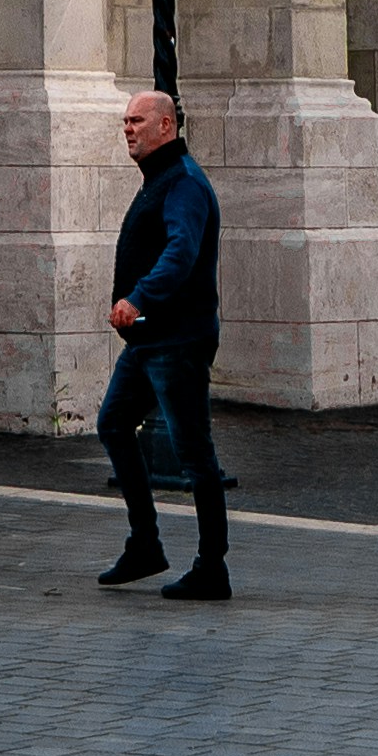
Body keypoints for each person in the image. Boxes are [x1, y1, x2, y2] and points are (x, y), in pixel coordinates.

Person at [97, 84, 229, 601]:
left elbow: (181, 252)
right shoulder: (161, 178)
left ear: (166, 126)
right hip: (151, 341)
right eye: (125, 122)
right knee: (113, 423)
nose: (127, 129)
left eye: (137, 121)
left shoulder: (184, 183)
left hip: (177, 341)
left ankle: (212, 568)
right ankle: (146, 545)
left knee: (194, 454)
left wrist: (138, 298)